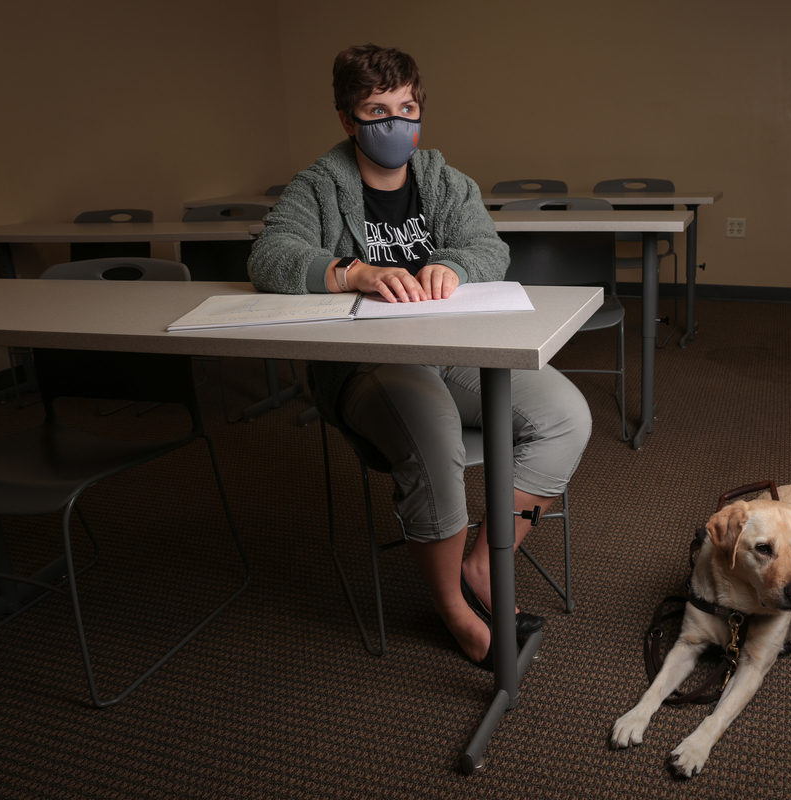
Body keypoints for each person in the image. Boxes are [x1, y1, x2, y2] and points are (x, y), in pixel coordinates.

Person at [248, 44, 591, 670]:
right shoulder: (320, 185)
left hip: (447, 347)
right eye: (377, 112)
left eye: (407, 108)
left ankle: (484, 566)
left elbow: (488, 248)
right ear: (349, 120)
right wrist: (349, 272)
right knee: (433, 429)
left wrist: (452, 267)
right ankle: (454, 611)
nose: (396, 125)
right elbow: (269, 256)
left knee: (566, 413)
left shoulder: (441, 178)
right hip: (364, 362)